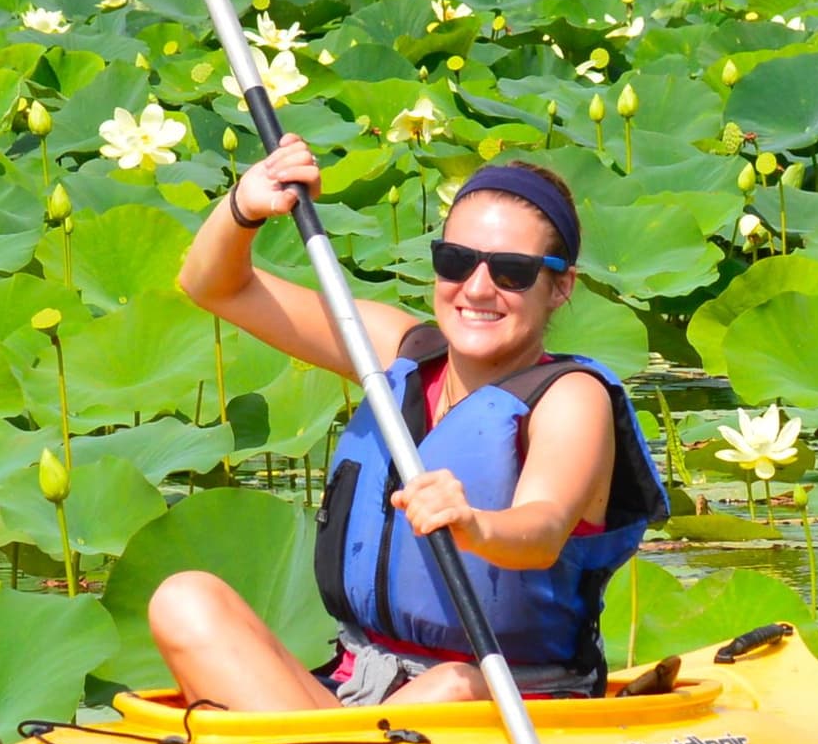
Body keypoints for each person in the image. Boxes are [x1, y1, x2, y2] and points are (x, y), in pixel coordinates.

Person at [152, 145, 662, 710]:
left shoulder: (570, 397)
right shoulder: (397, 352)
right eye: (457, 261)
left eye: (512, 272)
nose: (476, 288)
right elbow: (213, 286)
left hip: (503, 693)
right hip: (360, 687)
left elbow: (541, 531)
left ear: (559, 287)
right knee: (184, 599)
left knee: (448, 686)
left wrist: (475, 524)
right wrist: (243, 210)